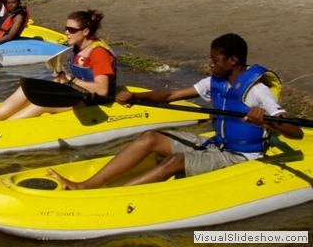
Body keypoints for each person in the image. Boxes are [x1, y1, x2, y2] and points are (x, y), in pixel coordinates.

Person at [48, 33, 303, 190]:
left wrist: (266, 122)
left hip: (241, 157)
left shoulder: (257, 92)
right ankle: (89, 185)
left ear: (233, 61)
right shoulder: (213, 82)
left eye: (215, 60)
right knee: (150, 137)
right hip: (216, 145)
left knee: (177, 161)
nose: (210, 64)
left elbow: (295, 132)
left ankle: (118, 194)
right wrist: (138, 96)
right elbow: (170, 96)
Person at [0, 9, 117, 122]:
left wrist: (71, 80)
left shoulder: (98, 53)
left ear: (86, 31)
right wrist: (62, 79)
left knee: (40, 104)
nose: (66, 32)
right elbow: (76, 79)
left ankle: (3, 128)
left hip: (95, 102)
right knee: (26, 89)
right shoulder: (78, 47)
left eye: (71, 29)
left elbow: (102, 89)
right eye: (66, 28)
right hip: (79, 94)